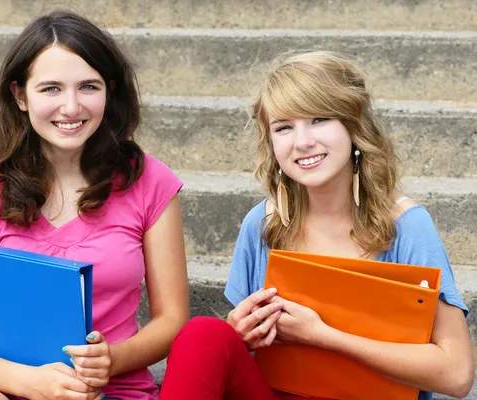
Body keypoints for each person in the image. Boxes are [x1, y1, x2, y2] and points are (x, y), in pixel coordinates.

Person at [159, 51, 473, 400]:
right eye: (284, 127)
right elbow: (250, 357)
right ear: (271, 143)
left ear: (354, 126)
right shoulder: (263, 223)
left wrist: (323, 336)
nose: (303, 141)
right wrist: (239, 333)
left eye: (320, 119)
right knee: (205, 333)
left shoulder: (406, 225)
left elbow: (457, 375)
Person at [0, 10, 189, 400]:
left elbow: (173, 320)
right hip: (14, 389)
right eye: (50, 89)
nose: (71, 107)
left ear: (109, 92)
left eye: (89, 87)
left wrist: (110, 359)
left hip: (112, 393)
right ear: (19, 96)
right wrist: (28, 382)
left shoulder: (148, 180)